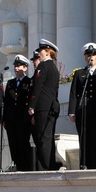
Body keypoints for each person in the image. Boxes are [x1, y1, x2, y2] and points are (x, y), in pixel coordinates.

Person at [69, 43, 96, 170]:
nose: (91, 57)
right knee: (83, 140)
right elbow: (73, 93)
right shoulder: (79, 73)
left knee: (95, 139)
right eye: (88, 55)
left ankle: (94, 166)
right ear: (85, 58)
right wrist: (72, 111)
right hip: (83, 111)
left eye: (94, 55)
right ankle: (84, 165)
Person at [28, 39, 61, 171]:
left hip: (43, 107)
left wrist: (32, 106)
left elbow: (38, 87)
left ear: (47, 52)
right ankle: (50, 165)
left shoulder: (43, 66)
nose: (39, 53)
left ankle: (44, 168)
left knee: (42, 139)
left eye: (41, 51)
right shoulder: (53, 67)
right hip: (51, 106)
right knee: (48, 138)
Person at [4, 55, 34, 171]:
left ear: (25, 68)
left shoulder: (29, 82)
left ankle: (25, 167)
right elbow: (7, 102)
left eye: (19, 66)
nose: (16, 68)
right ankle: (17, 164)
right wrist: (4, 118)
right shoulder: (10, 83)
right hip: (11, 120)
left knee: (23, 143)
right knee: (13, 144)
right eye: (15, 66)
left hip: (23, 120)